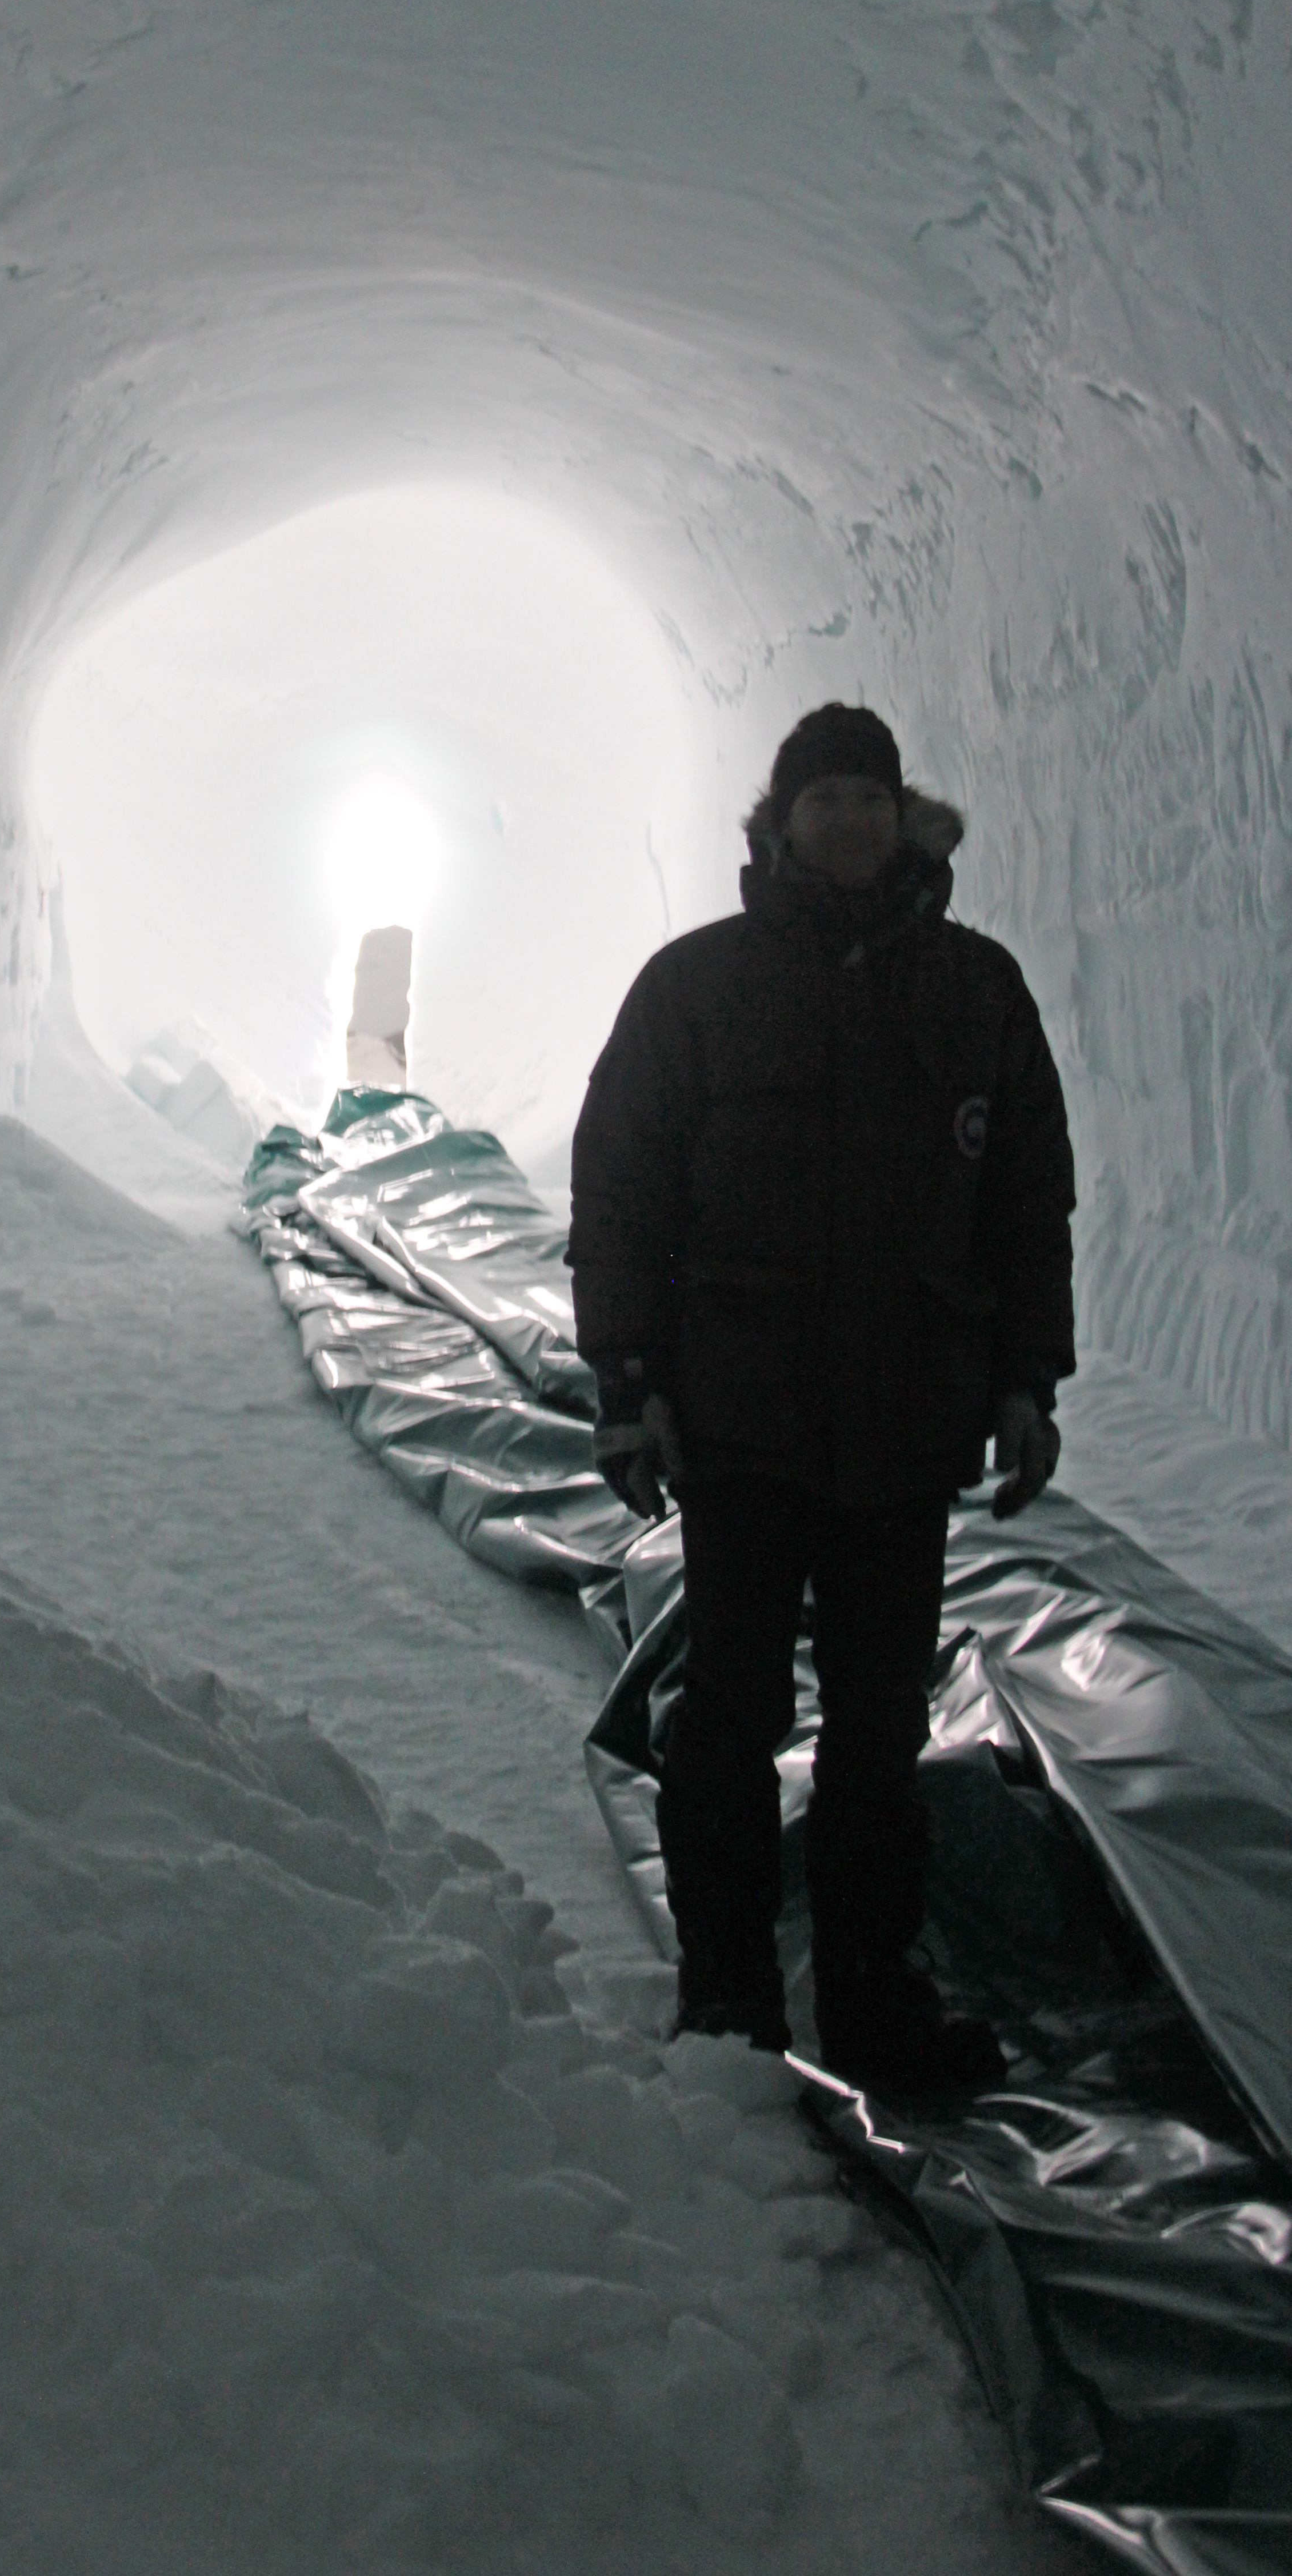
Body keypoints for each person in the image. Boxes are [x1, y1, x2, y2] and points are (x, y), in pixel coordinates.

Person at [568, 704, 1075, 2092]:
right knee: (728, 1717)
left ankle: (873, 2006)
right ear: (777, 822)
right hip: (742, 1422)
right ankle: (728, 2002)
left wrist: (1029, 1380)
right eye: (823, 798)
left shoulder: (977, 991)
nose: (848, 820)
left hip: (908, 1429)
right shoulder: (699, 990)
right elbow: (621, 1195)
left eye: (869, 794)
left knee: (878, 1729)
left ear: (899, 814)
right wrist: (626, 1386)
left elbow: (1028, 1201)